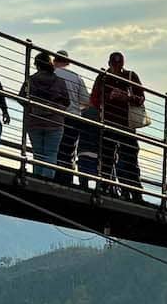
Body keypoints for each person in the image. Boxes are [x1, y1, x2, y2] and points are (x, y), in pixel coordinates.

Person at [91, 52, 146, 200]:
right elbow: (95, 100)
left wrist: (125, 97)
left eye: (118, 65)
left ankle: (130, 191)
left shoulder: (124, 76)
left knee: (124, 158)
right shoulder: (105, 77)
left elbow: (141, 99)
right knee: (112, 157)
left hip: (121, 124)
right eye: (115, 64)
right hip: (113, 123)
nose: (116, 67)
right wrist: (110, 98)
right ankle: (111, 187)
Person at [21, 50, 66, 177]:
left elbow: (21, 97)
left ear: (37, 65)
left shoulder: (30, 80)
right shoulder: (60, 82)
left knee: (38, 154)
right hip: (55, 122)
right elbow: (66, 101)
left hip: (34, 121)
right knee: (51, 153)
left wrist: (31, 108)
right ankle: (47, 180)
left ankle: (37, 179)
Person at [51, 51, 91, 184]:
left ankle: (53, 176)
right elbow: (86, 101)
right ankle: (66, 179)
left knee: (53, 148)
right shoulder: (77, 77)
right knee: (68, 151)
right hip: (73, 117)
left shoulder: (51, 74)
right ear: (68, 63)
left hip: (54, 115)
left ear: (54, 61)